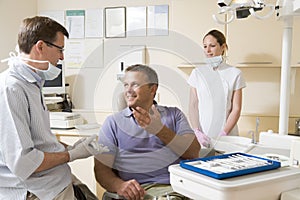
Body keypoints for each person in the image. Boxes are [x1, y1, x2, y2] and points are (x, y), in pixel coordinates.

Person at [0, 16, 108, 200]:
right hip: (37, 190)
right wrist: (71, 155)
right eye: (60, 49)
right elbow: (24, 162)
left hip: (57, 179)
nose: (62, 57)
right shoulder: (11, 89)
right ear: (40, 47)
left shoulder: (32, 83)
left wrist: (72, 147)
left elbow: (40, 142)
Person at [94, 64, 200, 200]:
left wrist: (159, 130)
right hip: (139, 191)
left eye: (135, 85)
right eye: (126, 85)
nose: (128, 90)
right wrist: (119, 185)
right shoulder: (113, 123)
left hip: (178, 188)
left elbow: (193, 152)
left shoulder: (174, 115)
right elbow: (101, 170)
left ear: (152, 89)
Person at [188, 29, 246, 148]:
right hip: (203, 136)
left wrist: (224, 133)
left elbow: (236, 108)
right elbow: (193, 105)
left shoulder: (235, 74)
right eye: (205, 46)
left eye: (212, 46)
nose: (208, 51)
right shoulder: (197, 73)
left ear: (223, 47)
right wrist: (196, 131)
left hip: (228, 137)